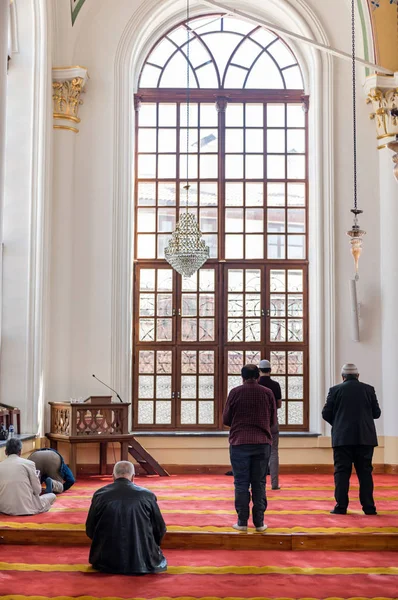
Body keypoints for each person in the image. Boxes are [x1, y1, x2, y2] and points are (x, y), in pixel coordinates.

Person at [86, 460, 167, 574]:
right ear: (133, 477)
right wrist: (150, 547)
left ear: (113, 477)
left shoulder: (100, 495)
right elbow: (160, 529)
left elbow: (90, 529)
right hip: (143, 560)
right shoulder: (147, 495)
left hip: (105, 561)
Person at [322, 363, 381, 515]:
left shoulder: (335, 390)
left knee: (341, 472)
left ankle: (341, 507)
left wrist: (338, 424)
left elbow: (326, 413)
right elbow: (376, 413)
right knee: (365, 473)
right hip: (365, 438)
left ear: (343, 377)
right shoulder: (369, 389)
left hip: (342, 439)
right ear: (358, 376)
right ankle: (369, 507)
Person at [223, 364, 276, 533]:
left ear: (242, 377)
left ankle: (242, 522)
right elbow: (273, 420)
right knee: (259, 483)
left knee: (241, 483)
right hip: (262, 443)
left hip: (239, 443)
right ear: (258, 376)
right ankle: (259, 523)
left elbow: (226, 419)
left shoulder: (235, 393)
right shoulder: (267, 393)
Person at [0, 438, 56, 515]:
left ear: (5, 452)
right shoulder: (29, 464)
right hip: (26, 508)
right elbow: (37, 490)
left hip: (4, 509)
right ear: (20, 451)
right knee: (52, 496)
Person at [258, 359, 282, 490]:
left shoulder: (256, 384)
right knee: (273, 452)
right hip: (272, 421)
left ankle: (259, 483)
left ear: (259, 370)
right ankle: (274, 484)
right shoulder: (275, 385)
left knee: (258, 453)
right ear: (270, 370)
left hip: (258, 422)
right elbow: (278, 404)